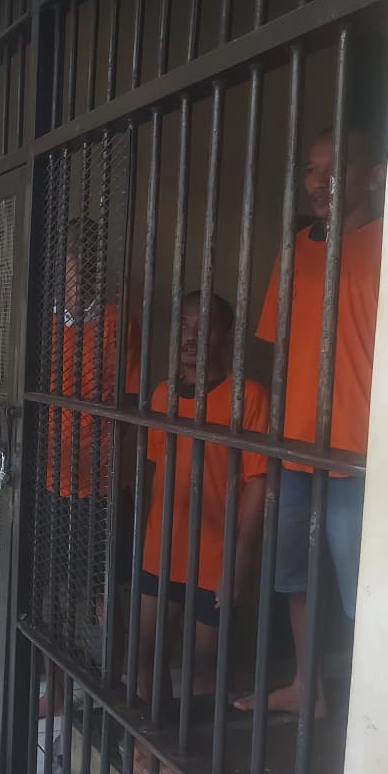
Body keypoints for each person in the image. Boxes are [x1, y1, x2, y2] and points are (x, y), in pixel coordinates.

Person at [236, 126, 386, 717]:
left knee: (363, 590)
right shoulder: (295, 250)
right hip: (296, 447)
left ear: (374, 175)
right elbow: (279, 353)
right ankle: (308, 687)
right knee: (295, 576)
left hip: (362, 452)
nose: (318, 183)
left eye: (334, 168)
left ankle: (375, 707)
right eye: (310, 169)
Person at [137, 292, 268, 702]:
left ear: (225, 336)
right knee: (145, 660)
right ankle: (150, 738)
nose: (190, 336)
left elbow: (258, 482)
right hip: (162, 548)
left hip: (215, 554)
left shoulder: (248, 397)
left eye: (204, 326)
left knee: (206, 669)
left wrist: (240, 560)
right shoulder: (162, 395)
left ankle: (206, 740)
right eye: (184, 324)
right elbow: (157, 472)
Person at [39, 217, 141, 717]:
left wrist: (118, 473)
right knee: (49, 590)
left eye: (84, 265)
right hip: (50, 477)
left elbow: (129, 403)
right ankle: (58, 690)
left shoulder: (118, 323)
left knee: (104, 590)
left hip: (100, 483)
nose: (75, 276)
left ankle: (108, 690)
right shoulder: (45, 324)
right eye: (68, 265)